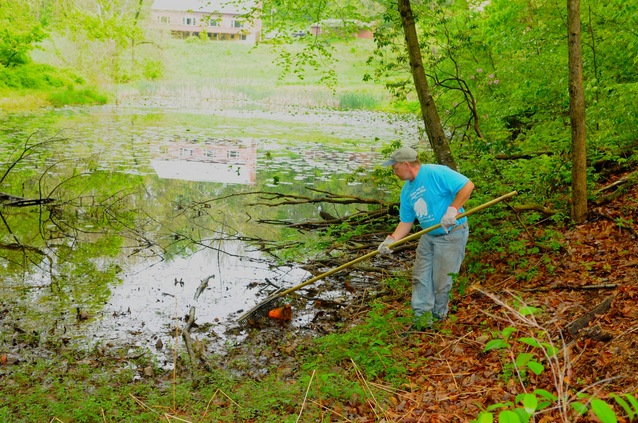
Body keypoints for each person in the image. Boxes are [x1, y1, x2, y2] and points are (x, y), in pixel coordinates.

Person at [377, 146, 474, 329]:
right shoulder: (406, 191)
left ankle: (439, 319)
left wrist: (452, 210)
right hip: (428, 237)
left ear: (406, 164)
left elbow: (467, 186)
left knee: (442, 281)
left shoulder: (436, 172)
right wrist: (392, 239)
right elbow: (406, 222)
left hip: (452, 234)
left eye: (395, 167)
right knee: (420, 277)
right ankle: (421, 321)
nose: (394, 171)